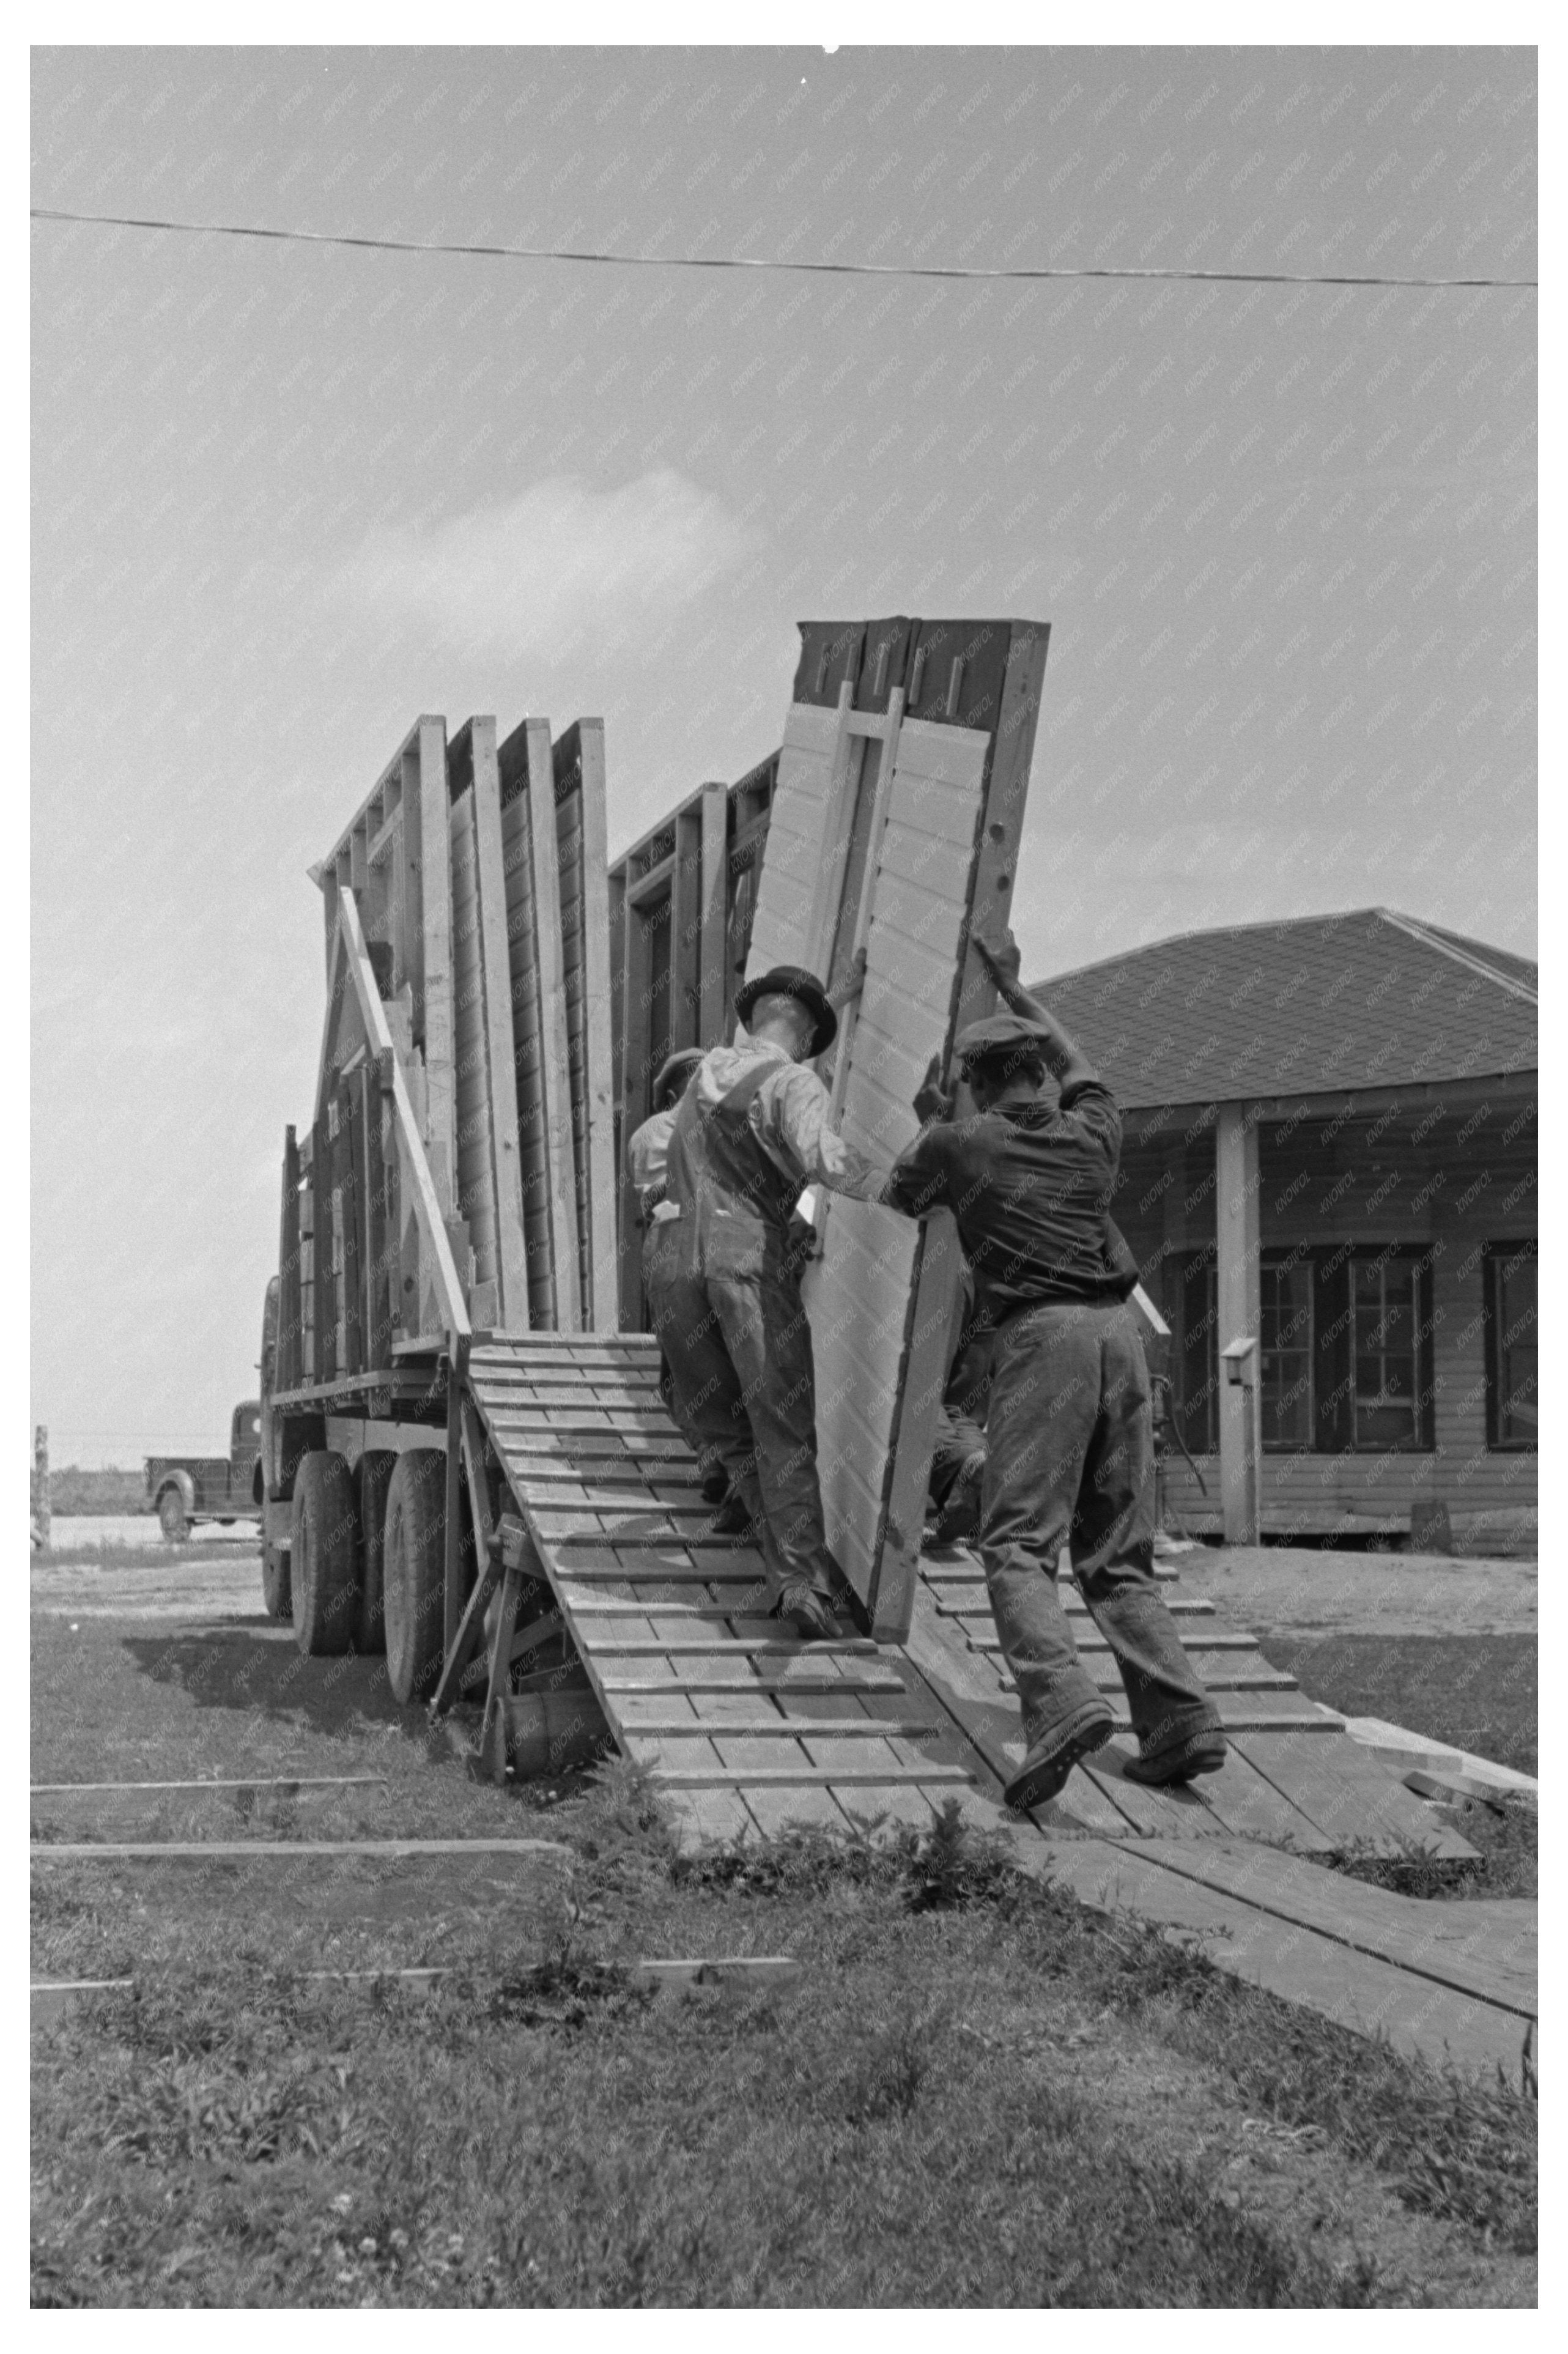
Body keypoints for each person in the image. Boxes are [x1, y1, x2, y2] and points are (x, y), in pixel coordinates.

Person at [881, 931, 1226, 1810]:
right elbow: (1078, 1058)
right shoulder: (1095, 1134)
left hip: (1047, 1339)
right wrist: (1016, 987)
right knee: (1119, 1552)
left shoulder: (957, 1145)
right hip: (1125, 1339)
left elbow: (888, 1212)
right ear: (1039, 1074)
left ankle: (1061, 1704)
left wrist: (932, 1120)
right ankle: (1178, 1720)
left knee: (1016, 1542)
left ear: (978, 1083)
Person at [648, 962, 884, 1641]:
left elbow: (766, 1040)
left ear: (753, 1019)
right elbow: (825, 1159)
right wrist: (901, 1187)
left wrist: (827, 996)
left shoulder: (702, 1074)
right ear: (808, 1036)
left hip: (672, 1273)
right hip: (744, 1265)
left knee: (727, 1430)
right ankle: (802, 1583)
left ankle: (783, 1569)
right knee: (781, 1425)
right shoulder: (790, 1081)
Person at [627, 1048, 731, 1508]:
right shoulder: (736, 1125)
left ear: (672, 1093)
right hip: (737, 1256)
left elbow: (654, 1205)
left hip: (679, 1256)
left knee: (679, 1378)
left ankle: (718, 1462)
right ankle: (735, 1473)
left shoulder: (655, 1130)